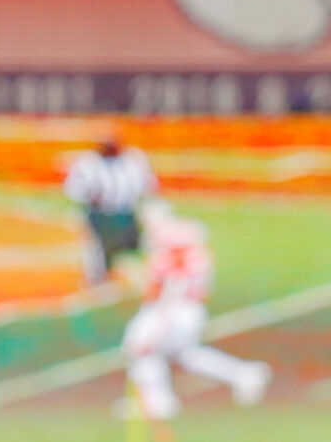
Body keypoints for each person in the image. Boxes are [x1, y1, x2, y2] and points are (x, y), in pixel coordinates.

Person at [117, 201, 270, 421]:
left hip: (170, 308)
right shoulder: (194, 246)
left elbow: (161, 285)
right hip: (192, 307)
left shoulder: (164, 247)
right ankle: (244, 374)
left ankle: (158, 402)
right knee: (187, 354)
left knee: (142, 348)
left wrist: (134, 278)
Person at [63, 132, 157, 285]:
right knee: (98, 249)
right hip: (100, 213)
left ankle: (151, 276)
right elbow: (74, 190)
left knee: (137, 245)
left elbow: (146, 186)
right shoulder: (88, 164)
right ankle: (98, 278)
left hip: (125, 212)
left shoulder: (132, 161)